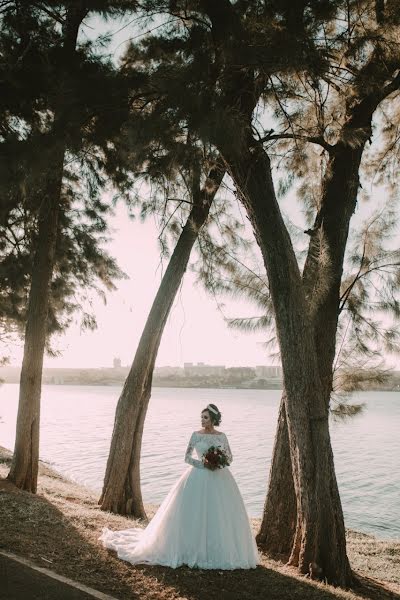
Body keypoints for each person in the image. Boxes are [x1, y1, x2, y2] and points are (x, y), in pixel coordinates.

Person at [99, 403, 260, 570]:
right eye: (201, 417)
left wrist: (217, 463)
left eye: (205, 417)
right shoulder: (196, 435)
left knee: (219, 512)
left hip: (220, 477)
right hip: (198, 474)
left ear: (213, 419)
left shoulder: (222, 436)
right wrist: (203, 464)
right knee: (193, 511)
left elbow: (230, 458)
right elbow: (187, 457)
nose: (202, 420)